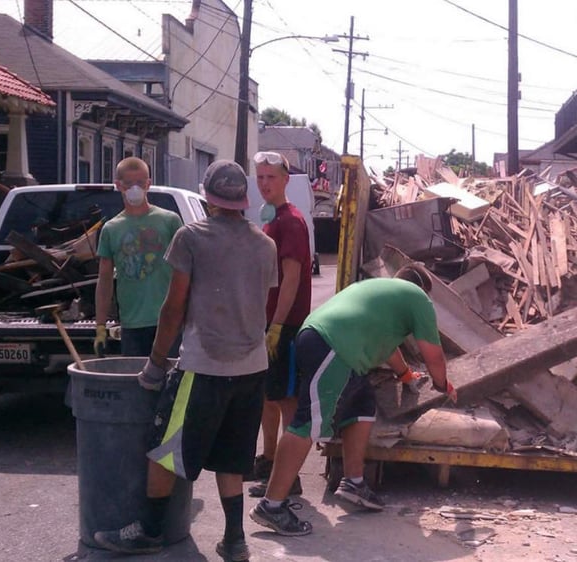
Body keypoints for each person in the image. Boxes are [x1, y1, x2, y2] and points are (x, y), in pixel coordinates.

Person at [93, 160, 278, 561]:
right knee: (232, 455)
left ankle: (150, 530)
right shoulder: (265, 244)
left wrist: (156, 364)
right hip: (251, 368)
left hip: (204, 366)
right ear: (242, 198)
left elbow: (173, 308)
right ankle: (234, 540)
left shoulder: (191, 237)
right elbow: (258, 302)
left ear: (207, 196)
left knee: (163, 448)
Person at [249, 264, 457, 536]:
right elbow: (434, 355)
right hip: (331, 346)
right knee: (308, 423)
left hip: (323, 341)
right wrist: (443, 385)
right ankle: (271, 506)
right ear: (423, 290)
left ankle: (354, 483)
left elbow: (387, 346)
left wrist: (405, 375)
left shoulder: (382, 292)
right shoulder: (419, 298)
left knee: (362, 405)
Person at [246, 151, 312, 498]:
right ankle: (269, 461)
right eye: (259, 177)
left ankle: (288, 480)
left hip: (284, 326)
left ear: (286, 179)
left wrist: (277, 326)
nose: (264, 183)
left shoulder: (291, 221)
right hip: (269, 322)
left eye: (271, 177)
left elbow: (291, 279)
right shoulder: (270, 219)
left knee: (286, 399)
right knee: (269, 397)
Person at [94, 156, 183, 359]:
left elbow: (186, 271)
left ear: (148, 184)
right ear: (118, 185)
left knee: (171, 384)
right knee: (136, 384)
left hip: (169, 322)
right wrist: (100, 326)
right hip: (132, 325)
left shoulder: (169, 221)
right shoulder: (111, 229)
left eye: (140, 183)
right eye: (129, 183)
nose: (135, 188)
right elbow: (105, 280)